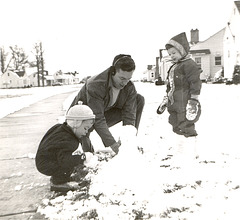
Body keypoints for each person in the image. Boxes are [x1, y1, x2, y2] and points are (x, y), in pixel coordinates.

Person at [69, 54, 145, 154]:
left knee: (139, 99)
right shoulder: (96, 84)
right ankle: (87, 150)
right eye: (122, 78)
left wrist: (128, 142)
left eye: (128, 79)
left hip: (105, 112)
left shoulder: (129, 87)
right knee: (85, 137)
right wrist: (113, 144)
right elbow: (97, 117)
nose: (125, 83)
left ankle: (128, 143)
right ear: (113, 72)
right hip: (82, 118)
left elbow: (129, 115)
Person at [156, 32, 202, 167]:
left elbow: (195, 83)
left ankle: (190, 153)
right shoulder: (174, 66)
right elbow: (170, 86)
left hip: (185, 103)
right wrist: (165, 100)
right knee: (175, 124)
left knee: (186, 125)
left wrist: (193, 101)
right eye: (170, 54)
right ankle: (180, 150)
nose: (171, 56)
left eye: (174, 53)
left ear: (182, 50)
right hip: (174, 103)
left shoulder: (189, 65)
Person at [35, 104, 95, 192]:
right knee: (69, 162)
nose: (86, 132)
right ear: (76, 123)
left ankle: (58, 175)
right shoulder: (69, 140)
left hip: (44, 159)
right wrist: (83, 157)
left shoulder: (60, 128)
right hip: (46, 164)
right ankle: (58, 183)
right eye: (85, 128)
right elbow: (65, 160)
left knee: (69, 159)